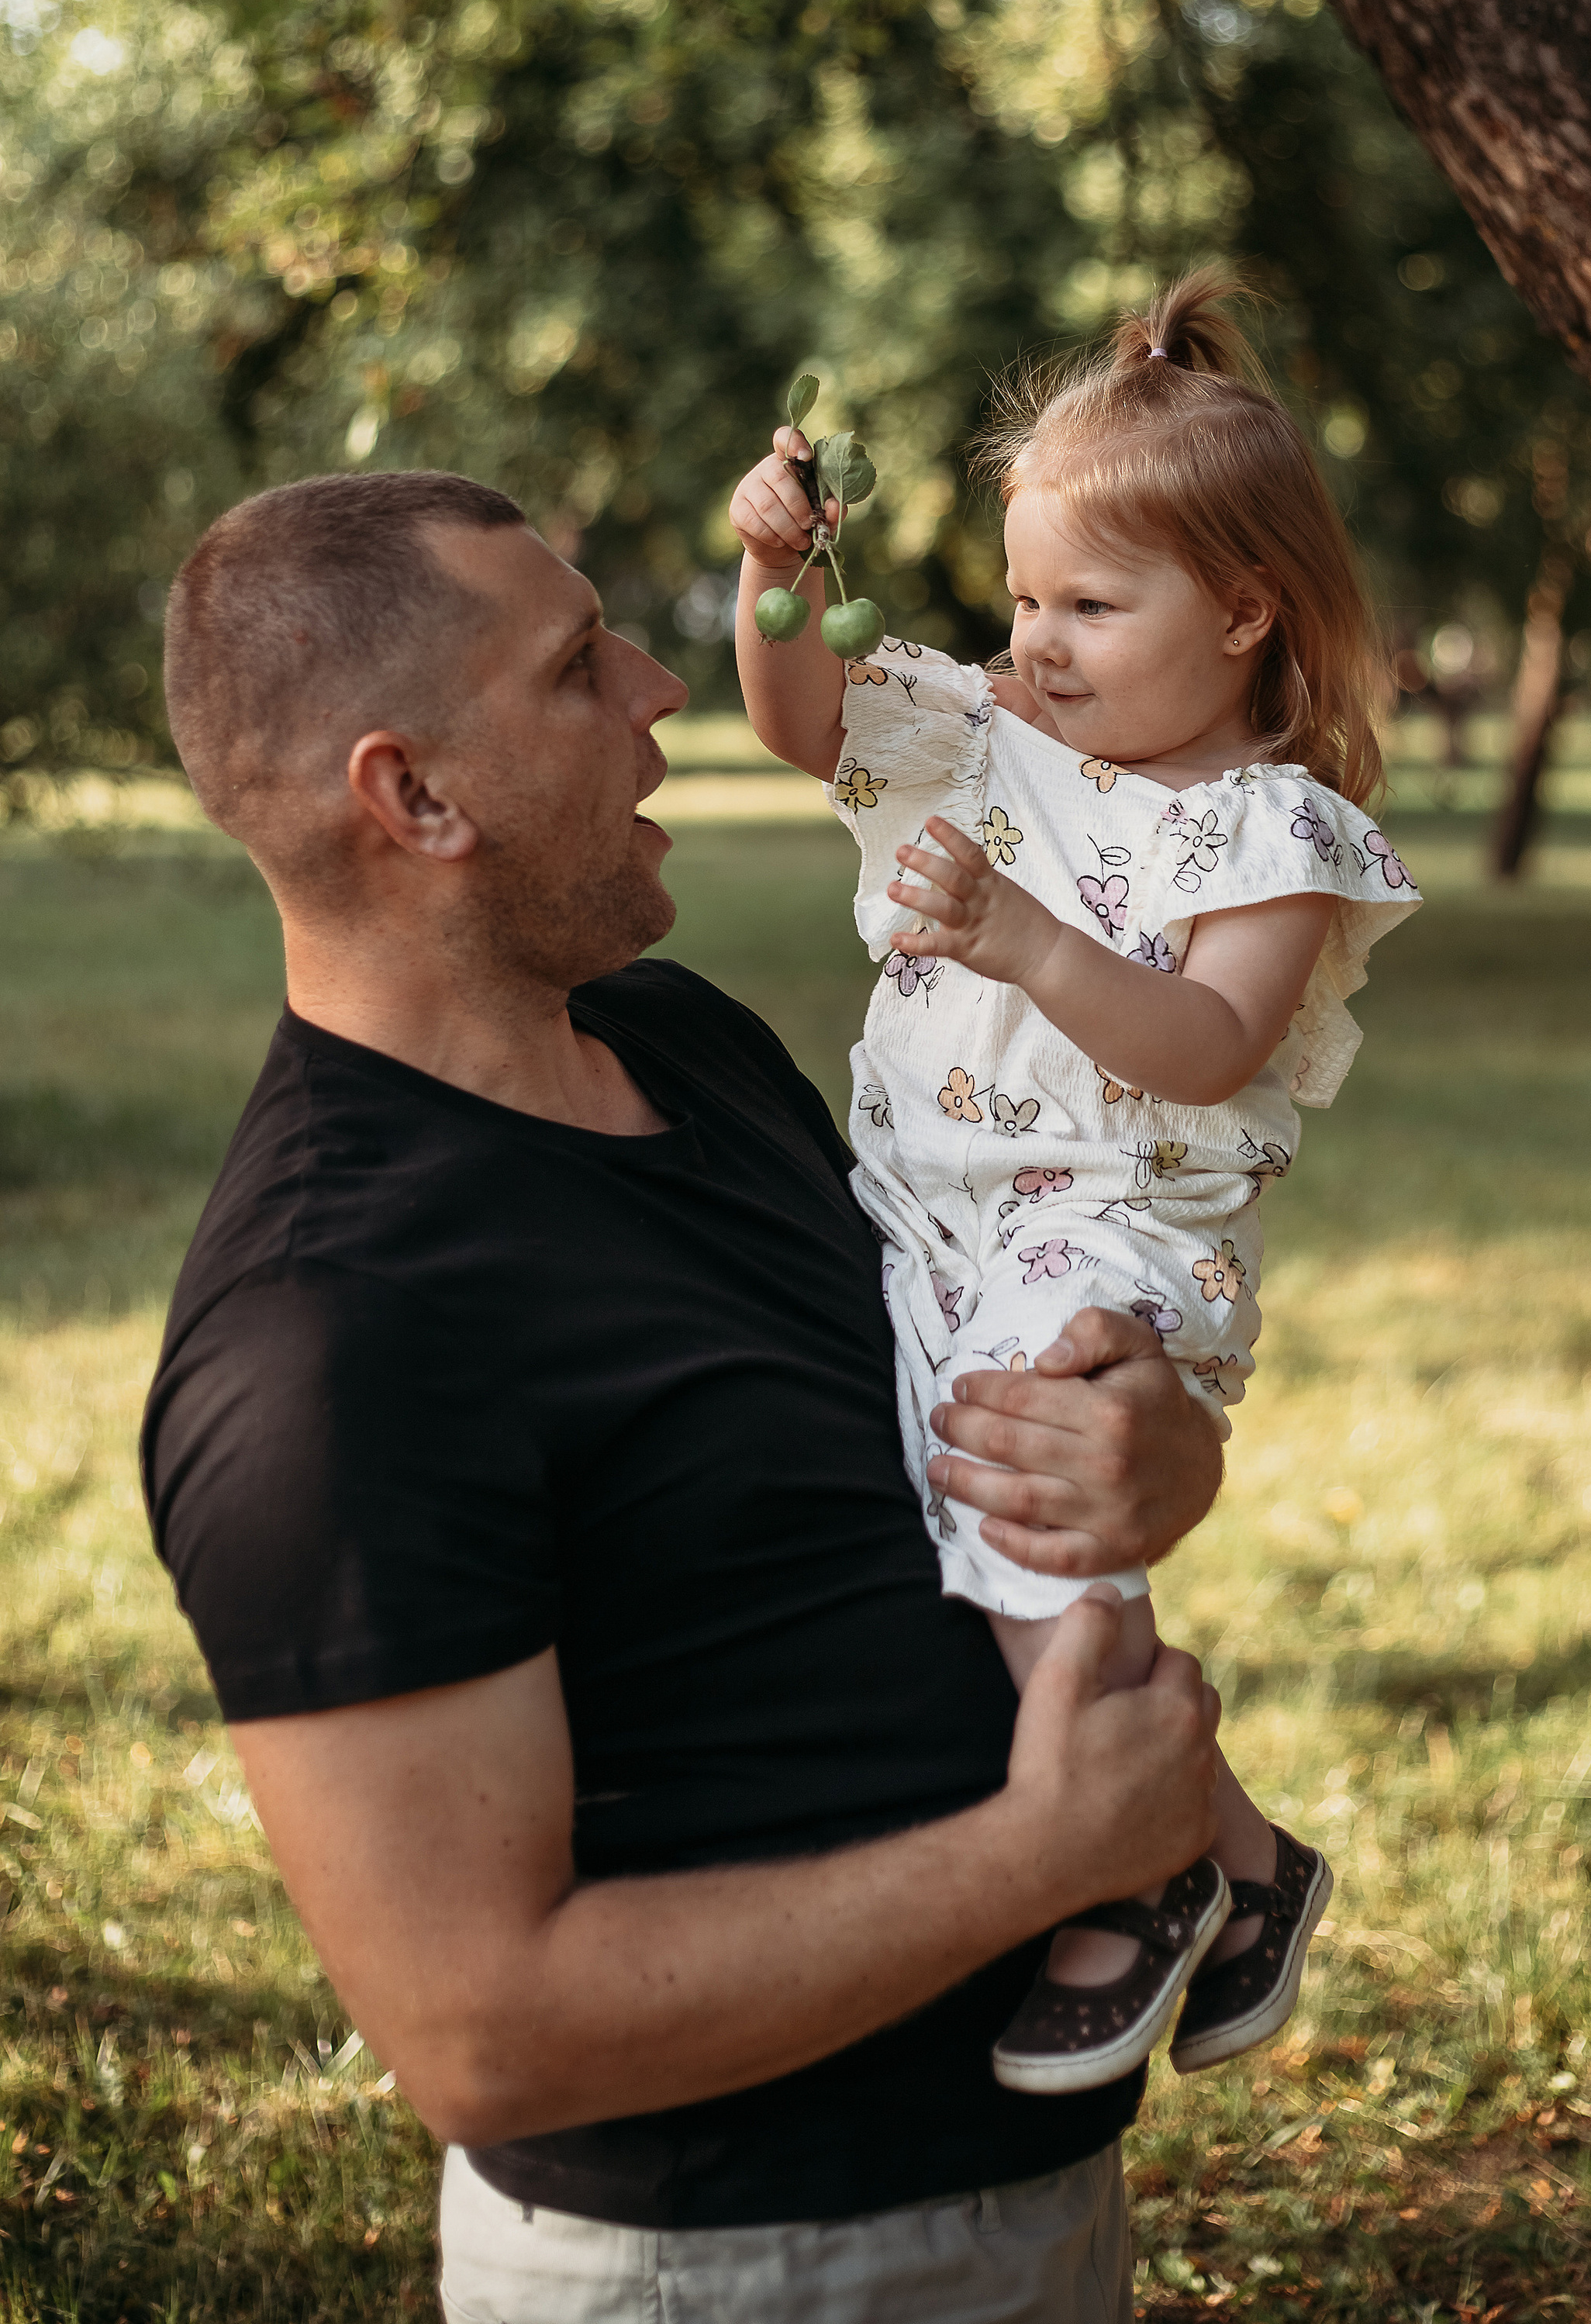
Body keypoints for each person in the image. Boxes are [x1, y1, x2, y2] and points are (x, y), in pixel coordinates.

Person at [141, 468, 1234, 2324]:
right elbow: (486, 2036)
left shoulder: (682, 1046)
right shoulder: (331, 1335)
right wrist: (1043, 1859)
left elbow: (934, 1420)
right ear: (413, 796)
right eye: (578, 668)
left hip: (1021, 2203)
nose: (660, 687)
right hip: (735, 2266)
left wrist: (1144, 1444)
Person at [730, 273, 1420, 2099]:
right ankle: (1244, 1859)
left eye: (1091, 606)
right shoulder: (979, 732)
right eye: (1025, 595)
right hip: (926, 1214)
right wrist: (774, 577)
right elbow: (801, 717)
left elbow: (1206, 1044)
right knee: (963, 1535)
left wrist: (1031, 941)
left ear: (1242, 611)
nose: (1036, 639)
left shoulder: (1270, 831)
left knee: (1031, 1519)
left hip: (1114, 1230)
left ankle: (1125, 1875)